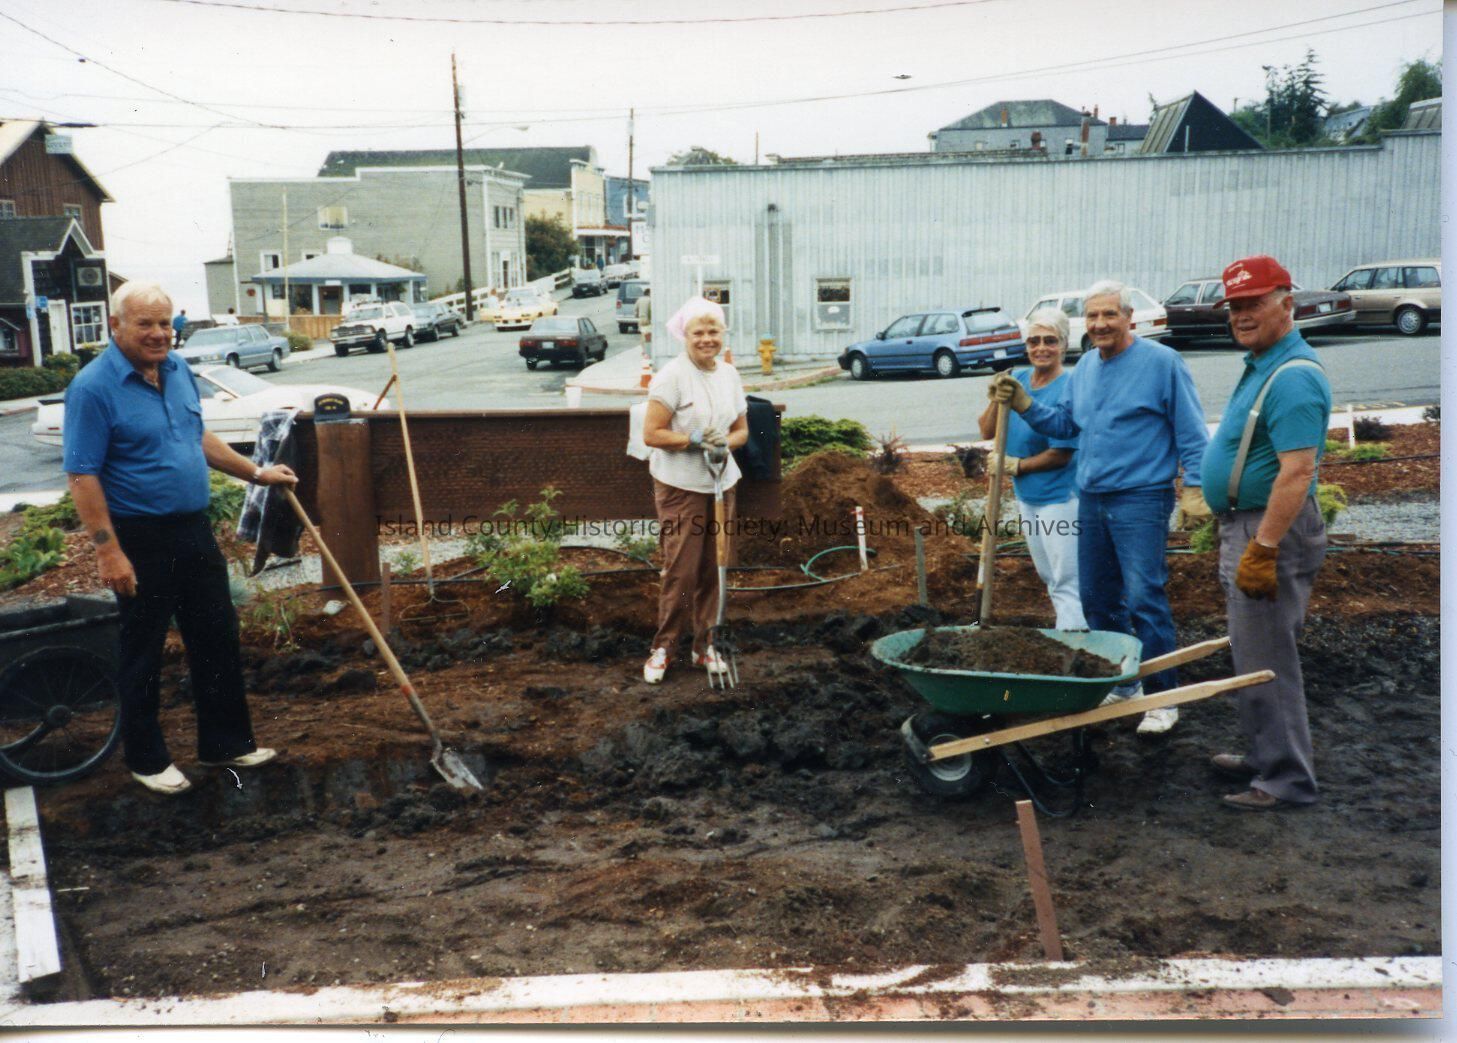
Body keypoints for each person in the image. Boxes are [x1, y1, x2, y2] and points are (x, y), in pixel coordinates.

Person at [63, 282, 297, 795]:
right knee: (144, 648)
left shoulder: (177, 370)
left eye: (165, 323)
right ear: (115, 326)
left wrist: (256, 473)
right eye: (144, 323)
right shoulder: (92, 387)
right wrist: (108, 550)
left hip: (192, 529)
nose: (158, 333)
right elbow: (82, 475)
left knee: (216, 633)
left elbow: (196, 435)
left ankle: (225, 743)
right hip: (138, 536)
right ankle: (147, 759)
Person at [989, 280, 1210, 735]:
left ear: (1129, 318)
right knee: (1096, 598)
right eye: (1092, 316)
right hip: (1091, 497)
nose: (1100, 323)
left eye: (1110, 314)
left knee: (1144, 596)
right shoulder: (1087, 366)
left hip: (1141, 497)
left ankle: (1162, 698)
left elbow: (1190, 428)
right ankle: (1125, 684)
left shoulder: (1162, 363)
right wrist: (1026, 404)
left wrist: (1196, 485)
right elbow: (1065, 423)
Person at [1199, 255, 1331, 811]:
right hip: (1249, 525)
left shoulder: (1293, 376)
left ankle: (1286, 780)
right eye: (1234, 306)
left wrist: (1264, 547)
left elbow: (1297, 471)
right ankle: (1264, 755)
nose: (1242, 315)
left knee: (1268, 655)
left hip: (1269, 530)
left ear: (1287, 303)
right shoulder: (1263, 363)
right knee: (1253, 650)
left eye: (1254, 303)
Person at [640, 296, 748, 684]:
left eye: (713, 331)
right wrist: (694, 440)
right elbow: (652, 433)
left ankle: (705, 646)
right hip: (681, 486)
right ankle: (664, 647)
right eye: (698, 332)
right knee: (682, 570)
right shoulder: (672, 376)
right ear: (684, 336)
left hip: (721, 482)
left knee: (714, 567)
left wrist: (724, 445)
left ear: (723, 334)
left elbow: (741, 430)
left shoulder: (729, 374)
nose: (706, 339)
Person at [977, 309, 1085, 630]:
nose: (1041, 348)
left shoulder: (1068, 387)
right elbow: (986, 431)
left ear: (1063, 344)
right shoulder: (1020, 380)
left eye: (1050, 341)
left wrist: (1016, 465)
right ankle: (1069, 631)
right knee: (1048, 574)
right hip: (1028, 497)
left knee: (1067, 578)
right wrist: (996, 398)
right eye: (1033, 341)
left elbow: (1061, 454)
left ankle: (1077, 640)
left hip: (1060, 499)